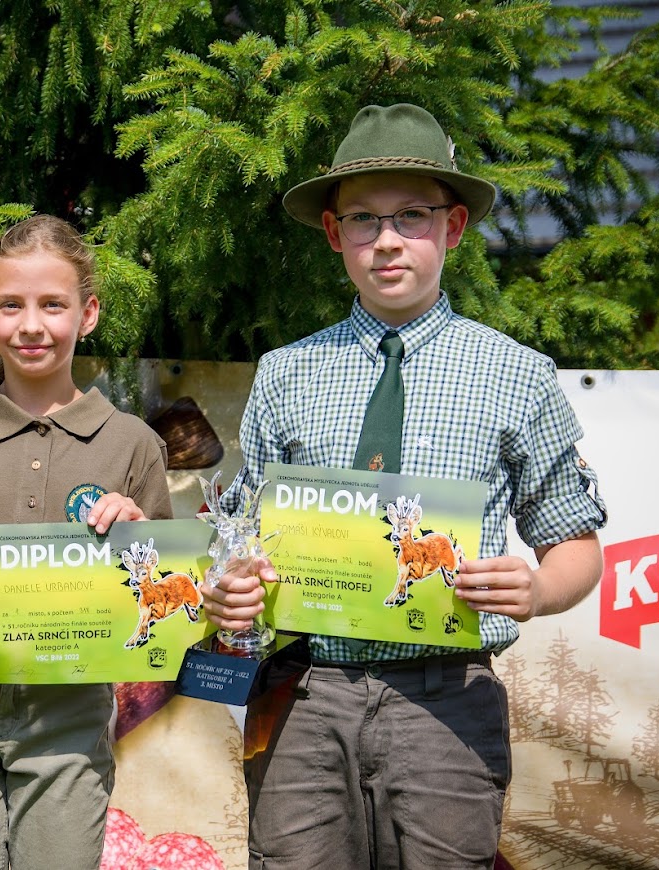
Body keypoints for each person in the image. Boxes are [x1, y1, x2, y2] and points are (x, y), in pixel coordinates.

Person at [199, 104, 607, 869]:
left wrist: (536, 589)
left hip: (446, 701)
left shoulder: (516, 374)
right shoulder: (285, 373)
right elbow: (235, 542)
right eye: (362, 220)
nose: (386, 240)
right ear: (334, 235)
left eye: (410, 217)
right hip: (302, 698)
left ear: (452, 228)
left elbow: (574, 545)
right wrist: (231, 588)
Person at [0, 215, 174, 870]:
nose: (31, 325)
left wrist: (137, 542)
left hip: (68, 713)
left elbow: (164, 613)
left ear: (88, 312)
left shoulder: (131, 443)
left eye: (53, 305)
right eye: (11, 305)